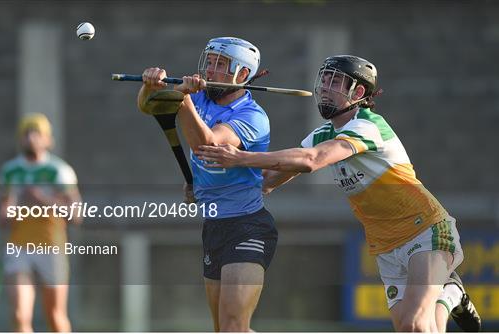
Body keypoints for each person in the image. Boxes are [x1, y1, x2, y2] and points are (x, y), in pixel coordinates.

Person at [196, 55, 482, 332]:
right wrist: (210, 184)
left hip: (425, 229)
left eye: (336, 82)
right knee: (409, 328)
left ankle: (449, 293)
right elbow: (269, 180)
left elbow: (311, 160)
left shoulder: (368, 126)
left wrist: (241, 158)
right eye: (325, 79)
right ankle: (451, 292)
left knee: (418, 326)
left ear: (357, 92)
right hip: (385, 246)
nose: (326, 89)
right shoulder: (322, 134)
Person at [137, 37, 277, 332]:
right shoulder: (201, 99)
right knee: (222, 329)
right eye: (210, 62)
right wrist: (150, 86)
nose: (210, 70)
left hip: (248, 225)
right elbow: (149, 108)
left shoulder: (252, 116)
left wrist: (183, 98)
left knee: (232, 326)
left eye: (220, 64)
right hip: (214, 226)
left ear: (242, 75)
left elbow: (208, 145)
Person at [0, 113, 81, 332]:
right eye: (26, 133)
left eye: (37, 133)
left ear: (48, 140)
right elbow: (2, 214)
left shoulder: (59, 170)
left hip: (51, 246)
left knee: (55, 316)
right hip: (19, 246)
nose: (31, 138)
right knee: (19, 315)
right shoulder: (10, 171)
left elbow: (75, 215)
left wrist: (41, 200)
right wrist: (8, 211)